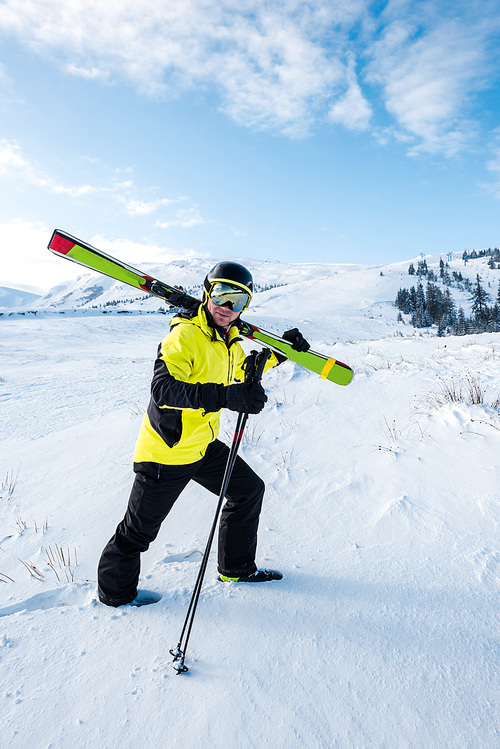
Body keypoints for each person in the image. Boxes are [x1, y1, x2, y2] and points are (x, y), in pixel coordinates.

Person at [97, 260, 309, 607]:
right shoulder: (185, 335)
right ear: (207, 293)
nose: (228, 308)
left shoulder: (229, 342)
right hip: (166, 453)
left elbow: (246, 367)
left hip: (203, 446)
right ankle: (115, 597)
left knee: (248, 490)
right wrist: (224, 396)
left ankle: (236, 568)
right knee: (136, 534)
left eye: (238, 302)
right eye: (223, 296)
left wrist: (280, 353)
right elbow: (163, 389)